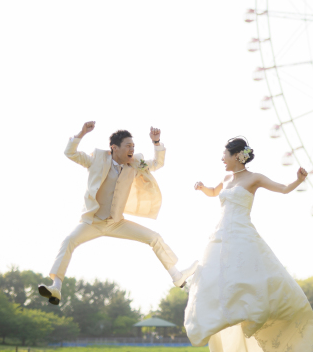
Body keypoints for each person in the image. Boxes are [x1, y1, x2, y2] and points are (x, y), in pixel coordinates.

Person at [184, 137, 313, 352]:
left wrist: (298, 180)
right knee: (211, 280)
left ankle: (254, 314)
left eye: (224, 155)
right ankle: (219, 319)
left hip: (242, 234)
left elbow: (283, 189)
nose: (222, 159)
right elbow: (214, 192)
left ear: (237, 155)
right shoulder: (226, 177)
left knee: (250, 280)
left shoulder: (254, 178)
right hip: (220, 236)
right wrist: (202, 188)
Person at [37, 121, 195, 305]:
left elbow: (158, 163)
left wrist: (156, 142)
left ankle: (176, 276)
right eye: (128, 146)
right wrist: (81, 133)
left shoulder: (135, 164)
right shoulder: (96, 158)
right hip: (93, 221)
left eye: (133, 146)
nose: (132, 149)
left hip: (117, 223)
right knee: (68, 241)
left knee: (154, 237)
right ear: (114, 148)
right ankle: (56, 286)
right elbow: (69, 153)